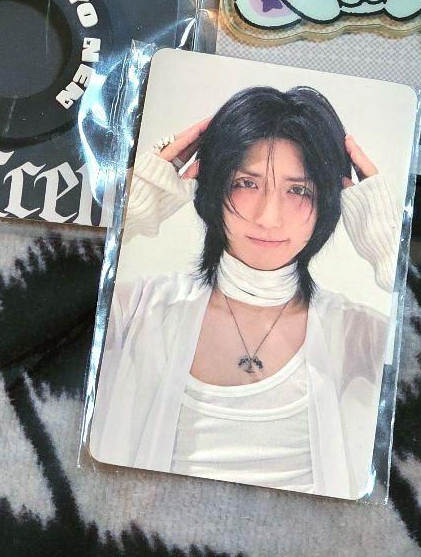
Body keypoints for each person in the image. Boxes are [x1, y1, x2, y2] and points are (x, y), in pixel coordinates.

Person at [89, 85, 403, 500]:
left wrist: (392, 251)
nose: (268, 218)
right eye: (246, 183)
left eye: (298, 190)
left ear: (329, 200)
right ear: (212, 187)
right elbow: (38, 310)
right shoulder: (137, 308)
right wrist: (128, 213)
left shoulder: (358, 333)